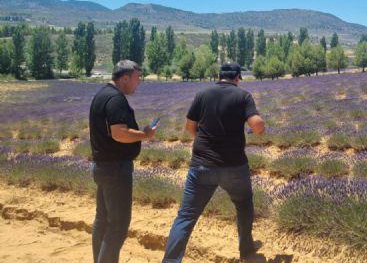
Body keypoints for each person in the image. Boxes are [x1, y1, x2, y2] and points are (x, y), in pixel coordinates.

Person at [163, 62, 266, 262]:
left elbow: (189, 126)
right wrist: (257, 130)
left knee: (186, 216)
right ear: (237, 77)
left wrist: (204, 143)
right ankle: (246, 249)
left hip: (202, 165)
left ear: (219, 76)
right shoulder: (242, 95)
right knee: (243, 204)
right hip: (234, 166)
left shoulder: (203, 94)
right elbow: (258, 125)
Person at [89, 59, 157, 263]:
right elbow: (119, 133)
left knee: (103, 220)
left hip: (102, 167)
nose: (139, 83)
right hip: (115, 169)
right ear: (125, 77)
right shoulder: (116, 99)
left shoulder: (101, 95)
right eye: (137, 78)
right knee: (117, 225)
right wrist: (145, 135)